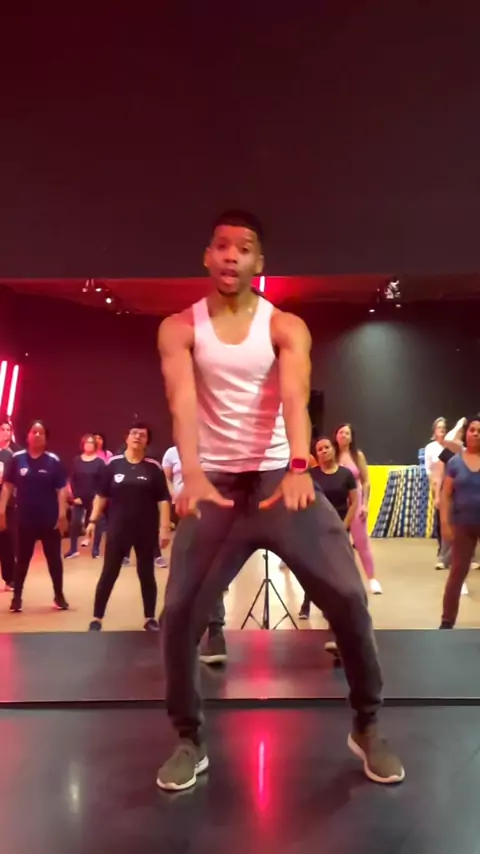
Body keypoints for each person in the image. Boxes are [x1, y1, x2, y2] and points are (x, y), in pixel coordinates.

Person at [156, 209, 404, 791]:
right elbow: (182, 402)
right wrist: (192, 473)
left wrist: (297, 465)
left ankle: (367, 726)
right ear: (207, 256)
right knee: (180, 615)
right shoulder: (179, 328)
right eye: (222, 245)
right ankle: (189, 739)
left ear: (259, 262)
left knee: (349, 596)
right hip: (217, 487)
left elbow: (295, 395)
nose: (231, 256)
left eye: (244, 248)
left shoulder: (284, 326)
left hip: (278, 481)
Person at [87, 422, 171, 632]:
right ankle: (97, 618)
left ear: (147, 442)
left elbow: (163, 499)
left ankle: (149, 618)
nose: (137, 437)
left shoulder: (153, 467)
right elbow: (101, 495)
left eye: (142, 435)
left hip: (145, 530)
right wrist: (92, 520)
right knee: (109, 573)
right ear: (126, 438)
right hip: (118, 529)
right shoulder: (113, 464)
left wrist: (164, 528)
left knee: (146, 573)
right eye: (134, 433)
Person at [162, 443, 227, 664]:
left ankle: (216, 634)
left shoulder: (217, 445)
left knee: (212, 573)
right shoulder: (173, 452)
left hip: (212, 512)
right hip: (186, 514)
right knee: (183, 573)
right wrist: (175, 494)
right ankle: (181, 631)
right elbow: (166, 478)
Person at [0, 420, 69, 613]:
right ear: (28, 436)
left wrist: (62, 514)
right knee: (22, 559)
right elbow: (7, 486)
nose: (37, 435)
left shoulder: (53, 461)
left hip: (49, 519)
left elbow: (61, 489)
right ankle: (17, 598)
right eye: (34, 432)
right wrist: (1, 510)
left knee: (54, 560)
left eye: (41, 433)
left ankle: (59, 595)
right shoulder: (17, 459)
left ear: (46, 438)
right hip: (25, 519)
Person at [299, 436, 359, 633]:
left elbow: (354, 502)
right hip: (316, 528)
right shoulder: (312, 475)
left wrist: (343, 526)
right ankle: (306, 603)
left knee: (338, 571)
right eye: (319, 449)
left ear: (333, 449)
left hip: (339, 527)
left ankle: (337, 611)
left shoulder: (346, 474)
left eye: (326, 447)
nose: (323, 451)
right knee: (314, 569)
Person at [440, 415, 480, 628]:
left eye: (479, 431)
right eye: (472, 430)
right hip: (463, 524)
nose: (476, 434)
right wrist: (445, 524)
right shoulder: (455, 462)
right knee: (457, 572)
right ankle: (447, 621)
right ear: (466, 433)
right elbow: (446, 495)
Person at [334, 424, 382, 594]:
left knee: (361, 542)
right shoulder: (332, 455)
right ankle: (341, 580)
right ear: (336, 436)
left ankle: (372, 579)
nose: (343, 435)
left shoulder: (357, 455)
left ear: (351, 437)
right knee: (337, 543)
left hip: (356, 501)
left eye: (347, 433)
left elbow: (366, 481)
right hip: (338, 503)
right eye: (341, 432)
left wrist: (365, 504)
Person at [65, 434, 106, 559]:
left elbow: (102, 481)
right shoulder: (77, 460)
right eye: (86, 442)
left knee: (98, 523)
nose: (88, 445)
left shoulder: (100, 462)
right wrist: (75, 496)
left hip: (94, 498)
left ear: (95, 445)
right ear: (82, 444)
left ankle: (95, 550)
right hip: (79, 498)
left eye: (91, 442)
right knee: (75, 523)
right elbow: (73, 479)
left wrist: (98, 497)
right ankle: (73, 549)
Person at [424, 417, 448, 566]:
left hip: (451, 484)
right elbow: (428, 468)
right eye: (439, 427)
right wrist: (433, 486)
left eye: (444, 427)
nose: (442, 430)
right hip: (436, 484)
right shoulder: (430, 448)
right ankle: (442, 551)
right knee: (441, 519)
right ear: (434, 430)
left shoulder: (450, 446)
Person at [0, 417, 18, 590]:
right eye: (2, 429)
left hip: (8, 504)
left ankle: (10, 578)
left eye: (8, 430)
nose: (5, 433)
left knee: (7, 541)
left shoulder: (13, 455)